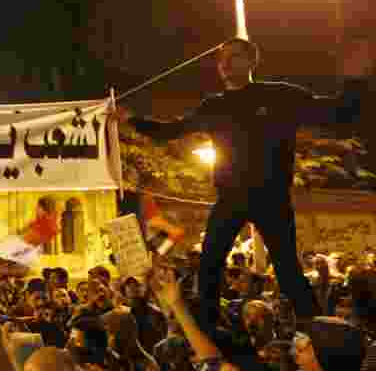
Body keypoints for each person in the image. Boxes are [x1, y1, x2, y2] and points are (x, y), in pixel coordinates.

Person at [117, 36, 370, 334]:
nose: (224, 64)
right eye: (221, 58)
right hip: (230, 197)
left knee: (288, 271)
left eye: (234, 56)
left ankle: (318, 331)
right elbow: (172, 131)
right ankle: (210, 330)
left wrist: (356, 78)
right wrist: (131, 120)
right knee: (209, 264)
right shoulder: (214, 106)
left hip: (271, 197)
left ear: (252, 61)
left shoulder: (279, 96)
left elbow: (337, 113)